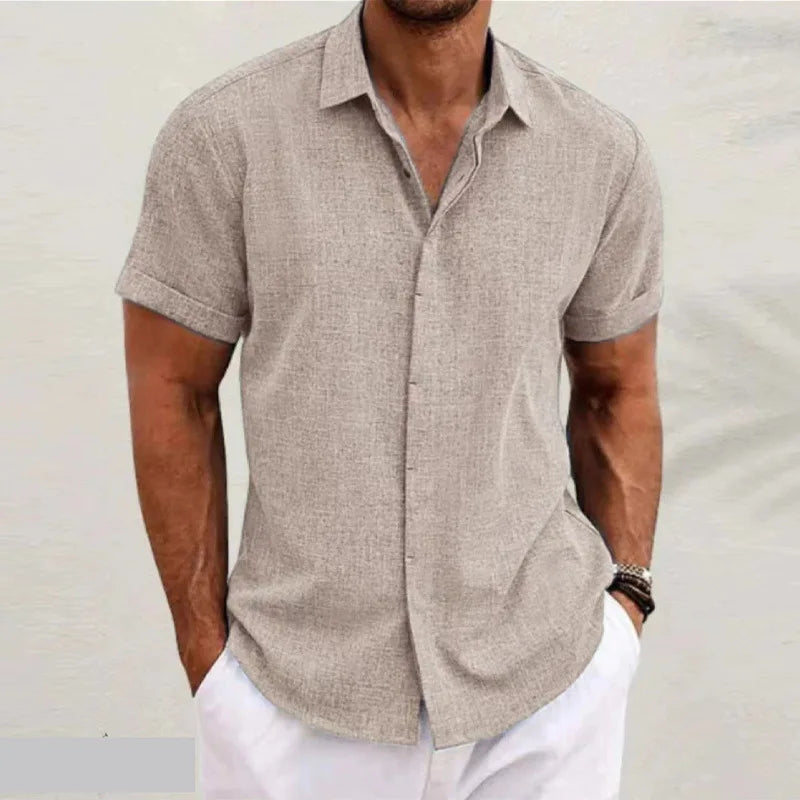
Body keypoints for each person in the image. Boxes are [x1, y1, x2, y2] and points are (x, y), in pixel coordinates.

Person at [114, 0, 663, 797]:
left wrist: (627, 606)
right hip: (294, 704)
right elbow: (174, 388)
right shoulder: (226, 135)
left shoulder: (599, 153)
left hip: (548, 697)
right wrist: (209, 666)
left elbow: (619, 389)